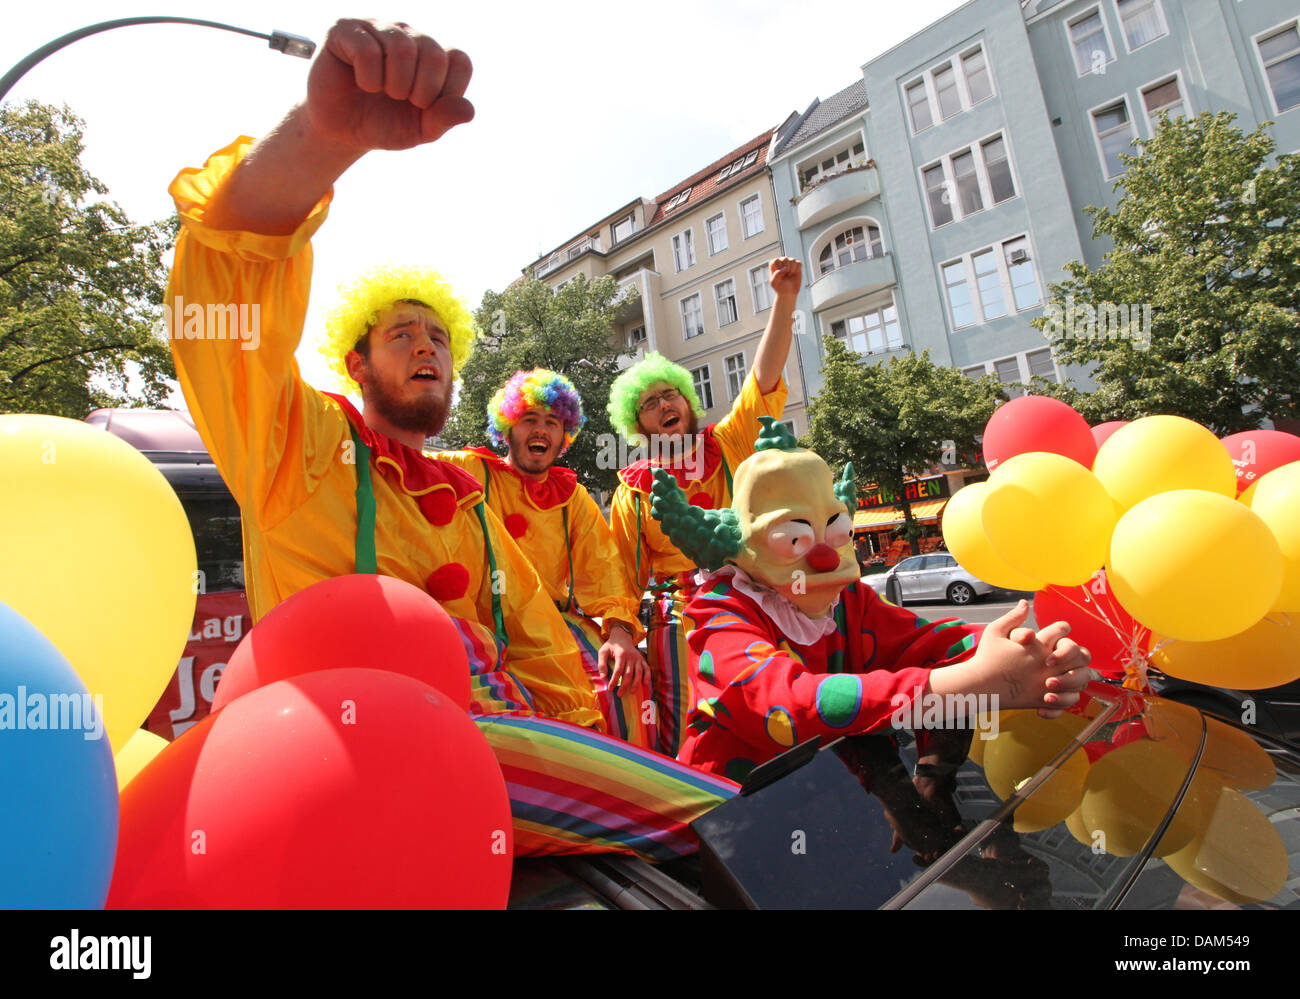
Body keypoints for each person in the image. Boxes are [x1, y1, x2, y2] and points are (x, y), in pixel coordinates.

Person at [165, 18, 735, 861]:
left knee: (707, 819)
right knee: (703, 822)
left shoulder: (466, 501)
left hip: (477, 781)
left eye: (438, 336)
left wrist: (587, 745)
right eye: (403, 334)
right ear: (356, 360)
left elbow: (540, 641)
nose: (427, 346)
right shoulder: (298, 443)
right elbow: (227, 295)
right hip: (341, 776)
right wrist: (321, 139)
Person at [649, 418, 1093, 782]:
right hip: (738, 818)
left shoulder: (848, 600)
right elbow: (788, 705)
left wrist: (1027, 649)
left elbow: (923, 640)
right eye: (796, 538)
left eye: (837, 533)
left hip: (841, 796)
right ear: (745, 544)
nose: (825, 556)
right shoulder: (720, 612)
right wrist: (971, 683)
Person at [607, 258, 802, 757]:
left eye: (670, 394)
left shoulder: (730, 441)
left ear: (688, 402)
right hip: (680, 617)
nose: (663, 404)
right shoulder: (635, 489)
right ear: (640, 424)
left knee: (780, 712)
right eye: (649, 403)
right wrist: (622, 636)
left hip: (754, 596)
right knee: (694, 726)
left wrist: (784, 299)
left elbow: (764, 377)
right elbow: (621, 577)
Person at [439, 368, 655, 747]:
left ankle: (632, 792)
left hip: (554, 625)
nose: (541, 430)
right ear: (507, 428)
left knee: (623, 685)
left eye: (552, 423)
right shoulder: (468, 470)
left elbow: (603, 567)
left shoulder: (573, 496)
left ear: (563, 436)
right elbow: (404, 457)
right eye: (529, 420)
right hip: (481, 627)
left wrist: (619, 631)